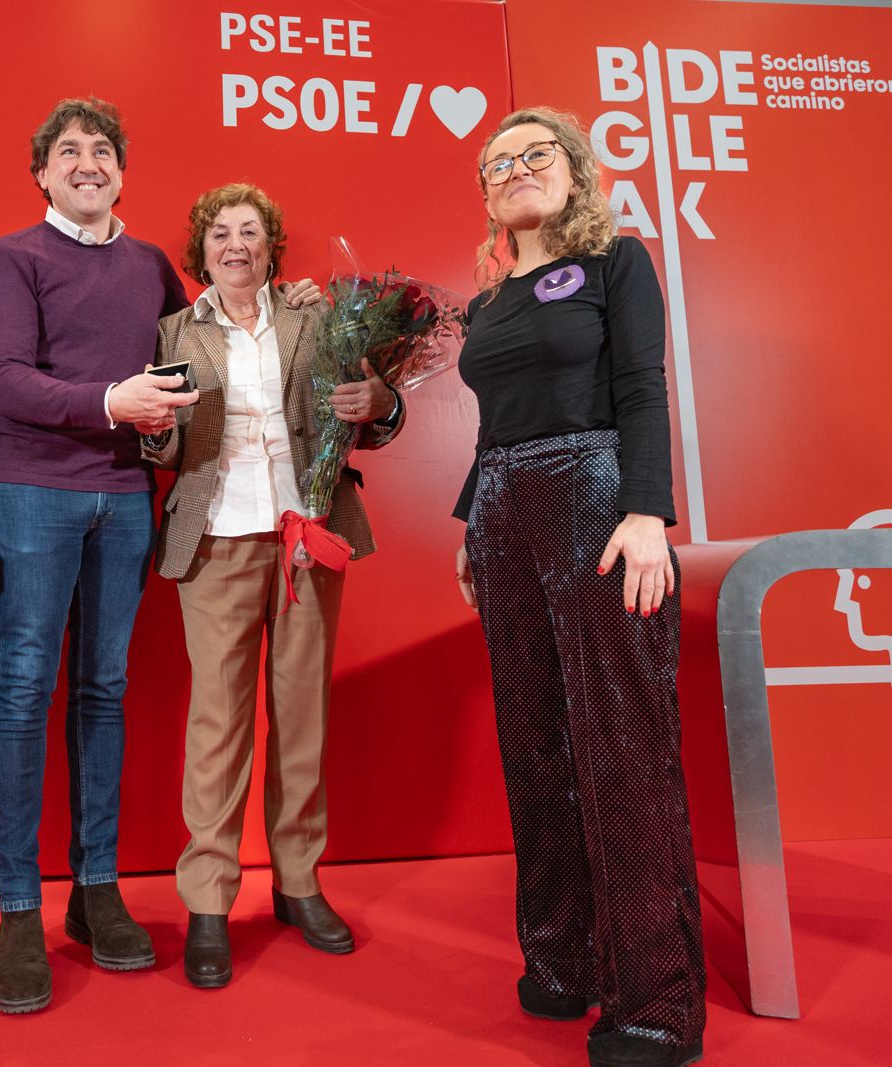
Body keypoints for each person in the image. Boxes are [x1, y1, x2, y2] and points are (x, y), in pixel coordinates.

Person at [0, 98, 320, 1014]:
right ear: (42, 172)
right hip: (38, 492)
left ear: (123, 173)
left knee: (103, 691)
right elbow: (2, 382)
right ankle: (18, 908)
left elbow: (209, 336)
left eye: (103, 152)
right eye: (69, 152)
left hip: (129, 499)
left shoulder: (150, 266)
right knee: (22, 689)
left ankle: (95, 889)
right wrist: (108, 403)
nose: (88, 164)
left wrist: (293, 303)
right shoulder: (11, 257)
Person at [451, 107, 705, 1067]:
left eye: (536, 154)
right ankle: (561, 960)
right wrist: (473, 521)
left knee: (618, 741)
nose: (517, 169)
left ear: (575, 171)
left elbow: (643, 386)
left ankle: (655, 1002)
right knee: (532, 738)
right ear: (486, 193)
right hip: (506, 513)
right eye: (498, 162)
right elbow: (493, 428)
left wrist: (647, 512)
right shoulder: (484, 303)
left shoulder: (616, 263)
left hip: (597, 497)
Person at [141, 183, 402, 990]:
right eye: (221, 232)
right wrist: (156, 432)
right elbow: (165, 452)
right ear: (202, 248)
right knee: (217, 727)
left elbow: (380, 416)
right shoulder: (173, 332)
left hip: (307, 538)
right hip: (214, 542)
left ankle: (298, 884)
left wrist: (380, 399)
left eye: (251, 231)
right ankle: (210, 902)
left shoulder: (314, 319)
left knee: (301, 719)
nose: (236, 244)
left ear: (269, 246)